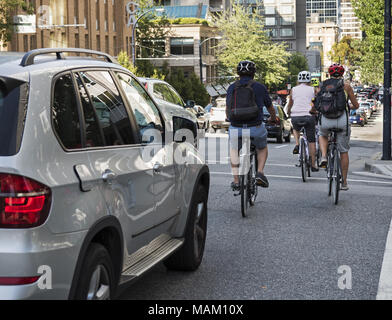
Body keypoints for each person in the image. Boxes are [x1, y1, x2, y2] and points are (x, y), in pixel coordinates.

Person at [226, 60, 277, 191]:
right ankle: (260, 172)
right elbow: (270, 107)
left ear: (238, 73)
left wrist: (229, 118)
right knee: (262, 147)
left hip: (236, 126)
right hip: (255, 127)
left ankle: (236, 181)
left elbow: (228, 108)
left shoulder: (232, 87)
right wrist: (273, 118)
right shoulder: (260, 87)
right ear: (254, 73)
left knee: (234, 150)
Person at [318, 63, 359, 191]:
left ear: (329, 74)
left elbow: (318, 102)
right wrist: (349, 107)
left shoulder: (323, 85)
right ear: (342, 74)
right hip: (342, 120)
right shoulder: (346, 86)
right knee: (344, 151)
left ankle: (324, 156)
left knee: (322, 134)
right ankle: (344, 182)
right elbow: (356, 105)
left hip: (326, 119)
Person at [287, 71, 319, 172]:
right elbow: (316, 102)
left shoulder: (293, 89)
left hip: (296, 115)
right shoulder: (313, 89)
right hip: (309, 115)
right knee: (311, 140)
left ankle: (297, 144)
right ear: (309, 80)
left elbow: (291, 103)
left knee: (296, 129)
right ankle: (313, 164)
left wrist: (288, 112)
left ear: (298, 79)